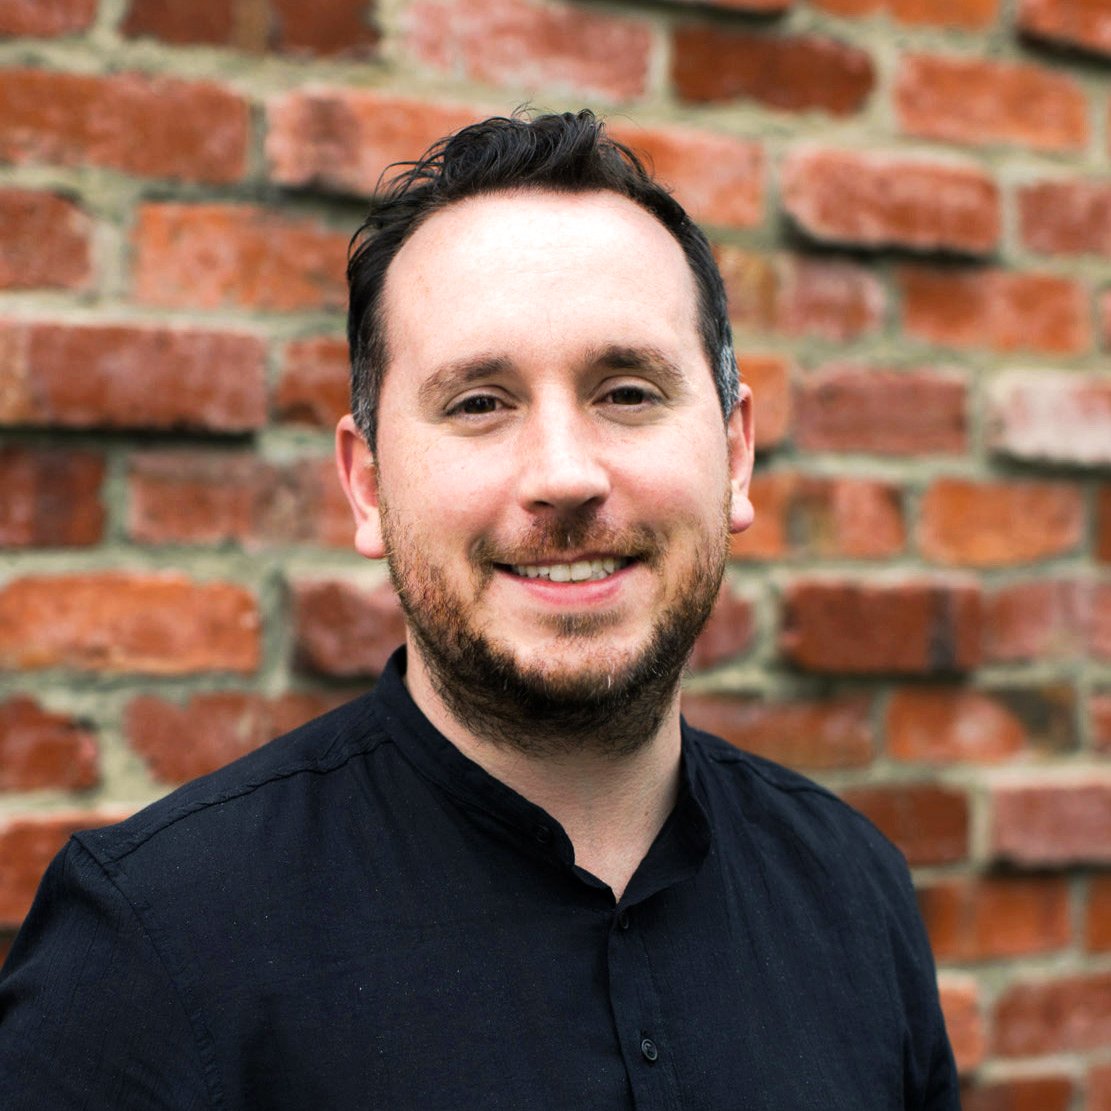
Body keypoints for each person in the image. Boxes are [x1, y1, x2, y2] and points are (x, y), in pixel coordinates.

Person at [0, 110, 959, 1109]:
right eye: (479, 403)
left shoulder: (853, 892)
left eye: (626, 391)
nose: (563, 475)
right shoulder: (152, 947)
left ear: (735, 452)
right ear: (367, 484)